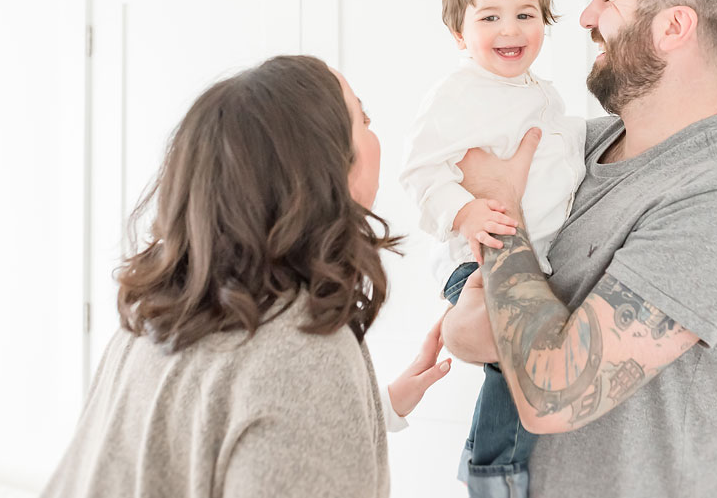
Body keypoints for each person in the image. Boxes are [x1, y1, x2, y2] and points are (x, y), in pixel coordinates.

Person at [442, 0, 717, 498]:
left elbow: (551, 392)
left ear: (673, 27)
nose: (584, 15)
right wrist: (476, 327)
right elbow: (465, 320)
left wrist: (501, 207)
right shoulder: (573, 146)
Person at [41, 55, 451, 498]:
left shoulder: (151, 319)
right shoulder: (304, 356)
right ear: (325, 169)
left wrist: (375, 405)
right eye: (362, 118)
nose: (375, 135)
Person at [399, 0, 586, 496]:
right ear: (459, 34)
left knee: (534, 356)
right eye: (490, 17)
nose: (511, 29)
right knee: (513, 348)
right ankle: (492, 469)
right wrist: (465, 210)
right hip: (473, 256)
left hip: (536, 258)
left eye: (526, 15)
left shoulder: (543, 98)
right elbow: (419, 173)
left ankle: (499, 459)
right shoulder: (457, 96)